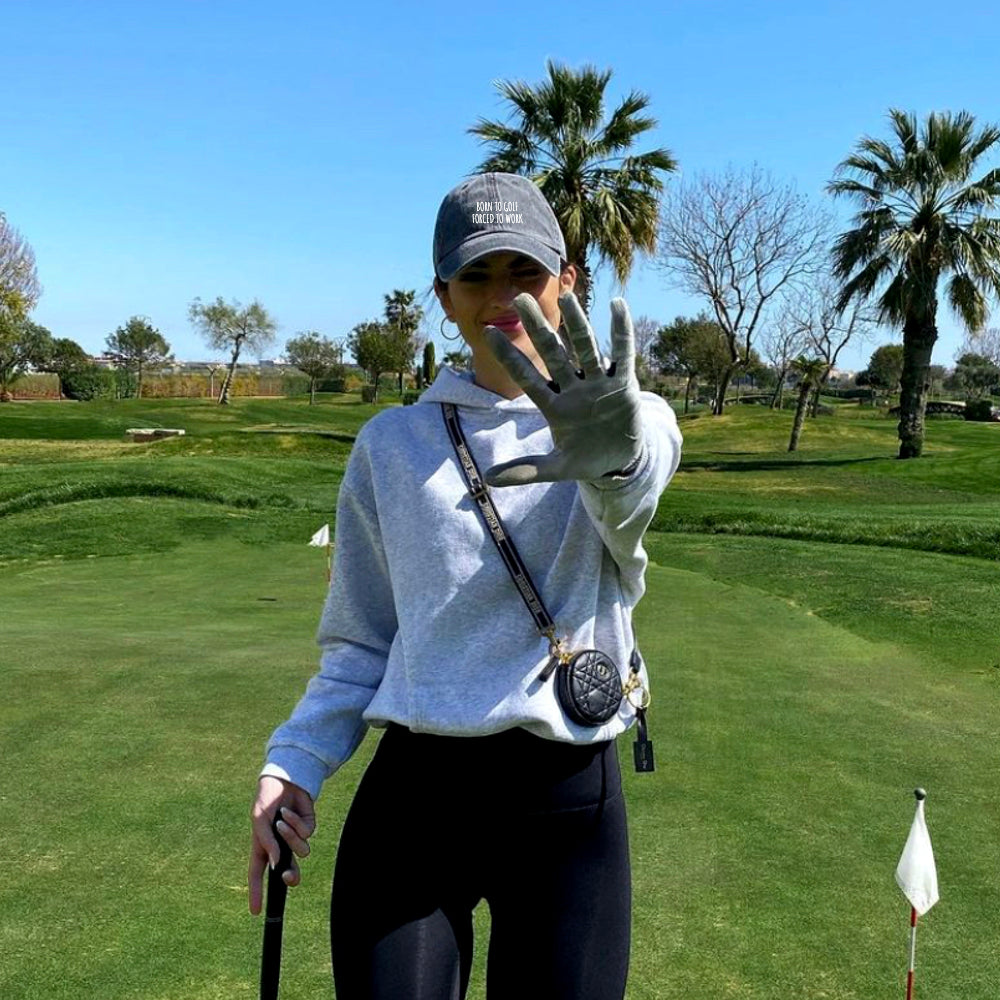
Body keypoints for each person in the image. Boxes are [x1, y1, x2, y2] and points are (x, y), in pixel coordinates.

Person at [248, 172, 683, 999]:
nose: (501, 296)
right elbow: (359, 643)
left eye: (525, 271)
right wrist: (293, 761)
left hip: (567, 798)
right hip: (417, 804)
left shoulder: (634, 417)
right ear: (443, 296)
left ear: (569, 281)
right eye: (476, 276)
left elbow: (635, 491)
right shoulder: (391, 444)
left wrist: (614, 459)